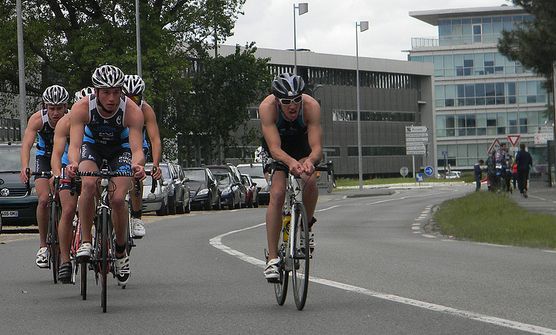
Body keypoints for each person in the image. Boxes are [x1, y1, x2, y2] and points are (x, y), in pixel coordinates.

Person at [66, 65, 145, 286]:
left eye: (116, 92)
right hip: (92, 148)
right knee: (89, 184)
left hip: (120, 151)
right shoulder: (82, 107)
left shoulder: (132, 111)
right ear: (96, 91)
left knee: (118, 198)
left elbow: (137, 150)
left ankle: (120, 252)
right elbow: (75, 145)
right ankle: (86, 240)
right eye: (106, 92)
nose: (111, 98)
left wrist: (138, 165)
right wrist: (73, 163)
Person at [258, 73, 322, 282]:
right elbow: (274, 148)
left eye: (296, 100)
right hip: (278, 148)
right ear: (277, 100)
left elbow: (316, 148)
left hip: (302, 146)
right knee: (276, 194)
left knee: (310, 181)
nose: (293, 106)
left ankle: (305, 227)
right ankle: (273, 259)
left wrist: (309, 162)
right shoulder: (267, 108)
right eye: (286, 102)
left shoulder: (311, 106)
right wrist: (290, 163)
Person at [20, 85, 69, 268]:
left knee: (66, 200)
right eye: (51, 108)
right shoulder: (37, 119)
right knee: (43, 200)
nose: (56, 113)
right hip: (44, 157)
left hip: (64, 157)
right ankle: (43, 245)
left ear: (66, 107)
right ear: (45, 107)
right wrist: (25, 166)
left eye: (59, 108)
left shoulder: (72, 118)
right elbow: (26, 145)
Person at [49, 87, 93, 282]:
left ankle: (101, 234)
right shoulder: (65, 123)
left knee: (97, 194)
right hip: (71, 166)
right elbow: (57, 155)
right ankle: (65, 261)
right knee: (67, 210)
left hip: (91, 165)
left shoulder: (97, 122)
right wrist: (57, 174)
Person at [122, 74, 162, 238]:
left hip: (137, 146)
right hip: (117, 145)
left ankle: (137, 217)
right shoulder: (114, 106)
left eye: (136, 97)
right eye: (127, 97)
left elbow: (154, 139)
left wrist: (156, 164)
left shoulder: (145, 110)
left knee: (135, 176)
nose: (132, 101)